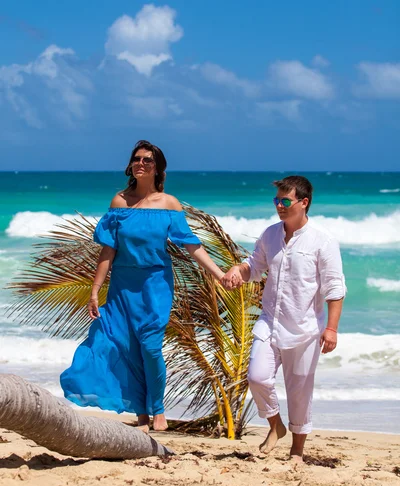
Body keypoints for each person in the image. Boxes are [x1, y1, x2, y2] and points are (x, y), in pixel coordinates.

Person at [60, 140, 226, 433]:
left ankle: (158, 410)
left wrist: (219, 273)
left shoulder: (168, 204)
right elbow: (108, 251)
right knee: (126, 346)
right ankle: (141, 414)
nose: (141, 164)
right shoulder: (119, 203)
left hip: (155, 285)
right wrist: (95, 290)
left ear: (157, 167)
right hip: (123, 286)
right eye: (137, 159)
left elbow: (190, 245)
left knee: (150, 348)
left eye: (147, 160)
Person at [222, 175, 346, 462]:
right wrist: (235, 272)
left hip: (304, 328)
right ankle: (275, 424)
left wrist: (331, 328)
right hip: (269, 321)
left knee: (300, 390)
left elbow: (334, 288)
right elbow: (253, 267)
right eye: (276, 200)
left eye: (285, 200)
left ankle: (297, 452)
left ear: (304, 203)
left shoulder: (323, 240)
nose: (279, 205)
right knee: (257, 376)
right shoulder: (270, 235)